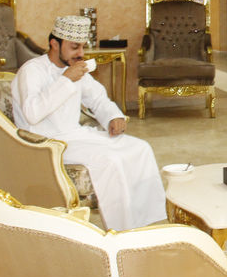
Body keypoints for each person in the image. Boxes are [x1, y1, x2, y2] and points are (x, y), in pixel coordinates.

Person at [11, 15, 166, 230]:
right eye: (74, 47)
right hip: (47, 143)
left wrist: (113, 116)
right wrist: (66, 79)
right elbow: (32, 113)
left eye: (83, 47)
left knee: (141, 148)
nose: (81, 53)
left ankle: (147, 223)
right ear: (54, 44)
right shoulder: (32, 70)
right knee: (110, 161)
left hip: (76, 135)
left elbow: (98, 99)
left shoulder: (75, 68)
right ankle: (121, 231)